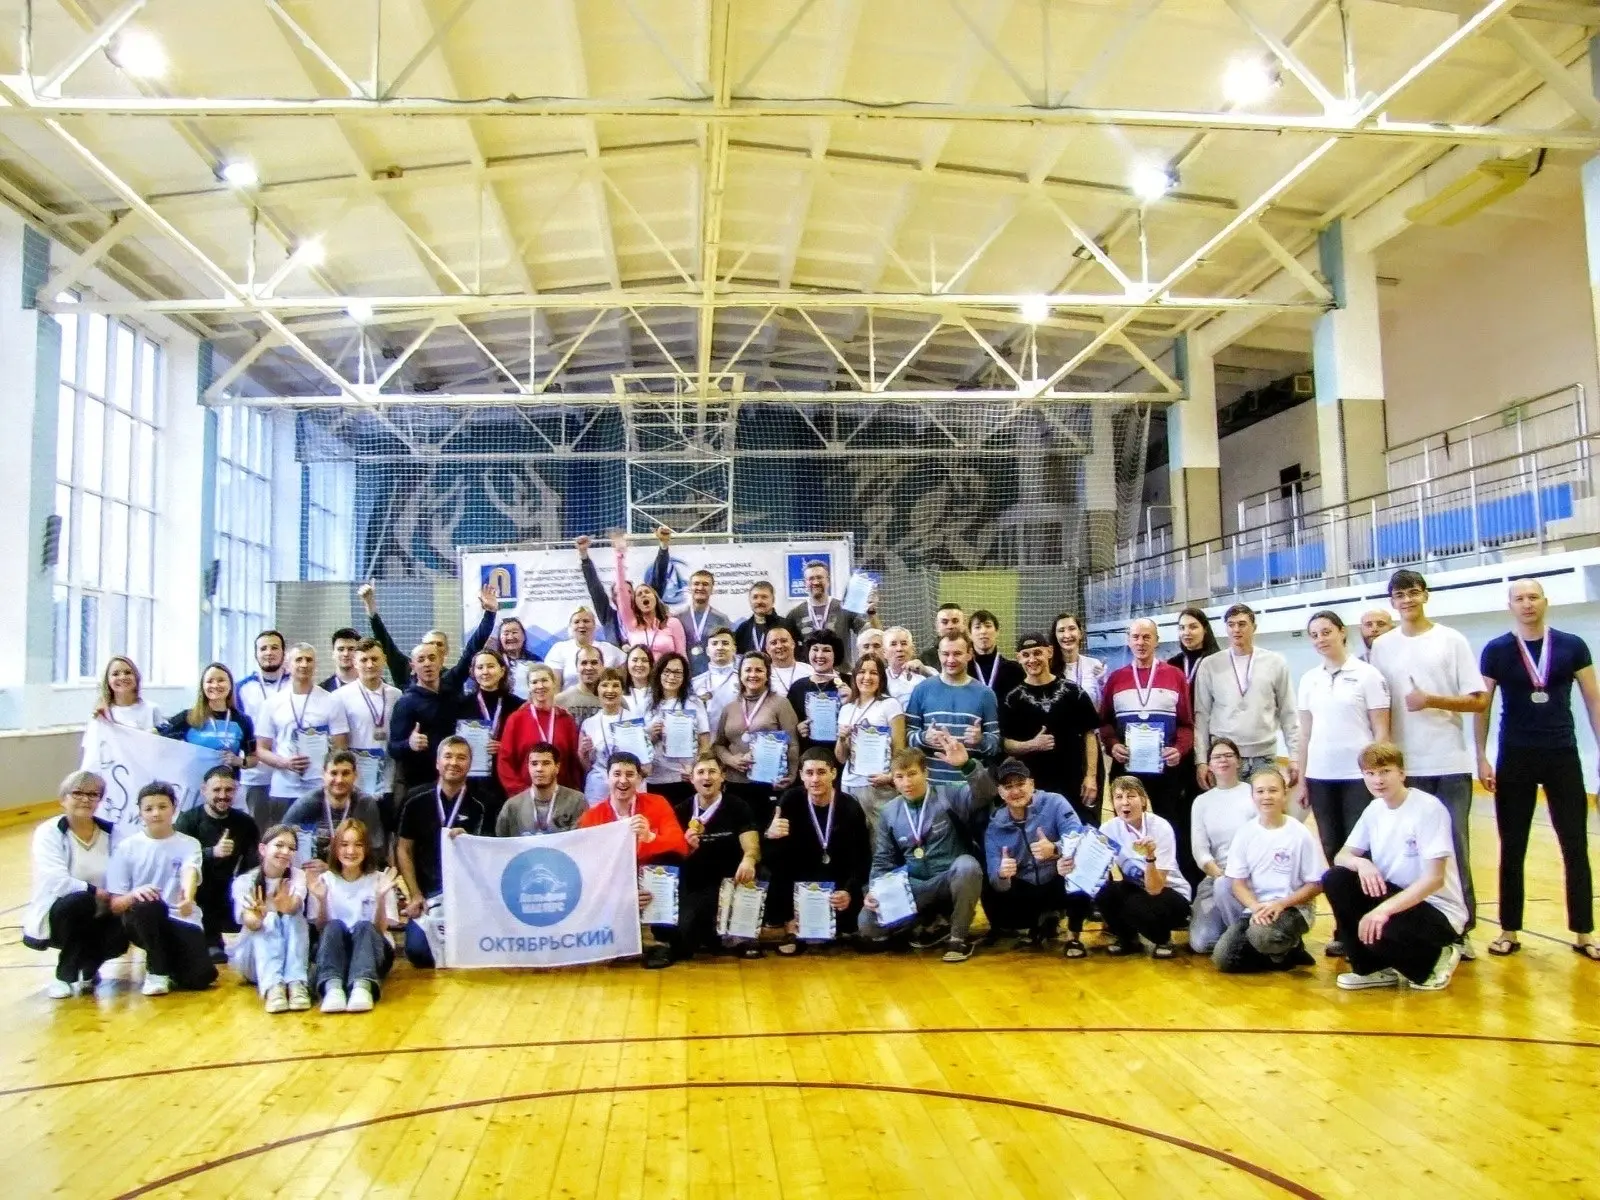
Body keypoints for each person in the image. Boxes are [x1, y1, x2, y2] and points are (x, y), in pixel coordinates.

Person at [1475, 578, 1599, 959]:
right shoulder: (1496, 650)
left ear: (1546, 601)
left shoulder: (1572, 645)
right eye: (1519, 598)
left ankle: (1584, 933)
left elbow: (1594, 702)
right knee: (1512, 846)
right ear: (1510, 605)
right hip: (1515, 757)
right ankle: (1509, 930)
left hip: (1562, 755)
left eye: (1533, 597)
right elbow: (1482, 707)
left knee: (1575, 845)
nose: (1527, 603)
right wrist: (1480, 755)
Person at [1366, 569, 1487, 952]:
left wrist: (1431, 700)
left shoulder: (1452, 640)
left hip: (1448, 763)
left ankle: (1461, 931)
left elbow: (1479, 700)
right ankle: (1411, 930)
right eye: (1400, 595)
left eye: (1413, 593)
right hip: (1403, 770)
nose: (1407, 600)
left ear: (1425, 595)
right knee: (1405, 855)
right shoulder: (1382, 647)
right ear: (1392, 602)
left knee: (1454, 848)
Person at [1325, 742, 1468, 991]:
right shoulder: (1374, 809)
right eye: (1370, 773)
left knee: (1379, 928)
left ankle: (1439, 956)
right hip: (1396, 899)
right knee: (1336, 879)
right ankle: (1372, 969)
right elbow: (1342, 856)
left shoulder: (1428, 809)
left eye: (1385, 772)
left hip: (1436, 909)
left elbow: (1434, 879)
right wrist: (1361, 863)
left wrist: (1382, 910)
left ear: (1402, 773)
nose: (1378, 780)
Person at [1294, 610, 1391, 933]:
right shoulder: (1309, 679)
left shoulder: (1367, 675)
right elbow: (1305, 735)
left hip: (1358, 779)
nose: (1321, 639)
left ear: (1342, 632)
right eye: (1314, 635)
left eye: (1326, 632)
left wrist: (1378, 776)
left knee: (1361, 852)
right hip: (1320, 777)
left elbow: (1381, 731)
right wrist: (1303, 780)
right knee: (1333, 851)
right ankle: (1344, 928)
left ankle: (1371, 924)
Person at [862, 742, 993, 962]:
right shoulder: (889, 812)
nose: (907, 782)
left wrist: (967, 765)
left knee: (967, 866)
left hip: (950, 881)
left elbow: (986, 794)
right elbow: (883, 859)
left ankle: (958, 938)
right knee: (867, 924)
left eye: (912, 774)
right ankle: (928, 923)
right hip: (915, 886)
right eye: (900, 776)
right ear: (893, 779)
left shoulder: (949, 795)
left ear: (926, 772)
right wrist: (875, 890)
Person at [1099, 618, 1195, 881]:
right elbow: (1104, 722)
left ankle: (1171, 885)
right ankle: (1132, 883)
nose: (1140, 642)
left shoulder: (1175, 676)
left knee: (1170, 825)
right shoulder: (1116, 679)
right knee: (1125, 828)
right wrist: (1112, 745)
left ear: (1157, 641)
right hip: (1126, 767)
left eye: (1146, 637)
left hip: (1166, 768)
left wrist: (1179, 749)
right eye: (1136, 637)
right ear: (1129, 641)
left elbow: (1187, 724)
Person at [576, 751, 689, 969]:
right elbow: (588, 868)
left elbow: (680, 847)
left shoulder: (657, 803)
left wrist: (650, 837)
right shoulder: (593, 816)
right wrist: (625, 893)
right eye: (617, 774)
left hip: (650, 888)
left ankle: (660, 941)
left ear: (639, 779)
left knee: (669, 859)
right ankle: (622, 940)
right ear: (607, 777)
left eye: (629, 774)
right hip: (614, 889)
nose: (623, 780)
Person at [24, 770, 128, 998]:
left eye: (93, 794)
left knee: (127, 913)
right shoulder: (49, 833)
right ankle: (65, 975)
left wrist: (119, 896)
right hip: (63, 913)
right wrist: (95, 891)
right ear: (63, 799)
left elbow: (125, 873)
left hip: (104, 911)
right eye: (78, 793)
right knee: (81, 901)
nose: (85, 799)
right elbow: (57, 880)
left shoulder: (113, 833)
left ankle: (90, 967)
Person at [105, 783, 217, 994]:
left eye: (162, 807)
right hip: (143, 919)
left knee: (200, 977)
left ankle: (170, 963)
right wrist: (134, 895)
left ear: (174, 808)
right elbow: (116, 904)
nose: (156, 813)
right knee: (149, 904)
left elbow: (190, 870)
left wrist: (188, 897)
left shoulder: (189, 843)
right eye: (149, 808)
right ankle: (156, 971)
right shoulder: (126, 848)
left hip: (180, 918)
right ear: (140, 812)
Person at [1212, 767, 1325, 973]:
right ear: (1252, 796)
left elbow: (1316, 885)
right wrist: (1255, 907)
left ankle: (1285, 945)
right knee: (1223, 959)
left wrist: (1281, 904)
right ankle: (1287, 954)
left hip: (1292, 908)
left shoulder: (1299, 833)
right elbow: (1238, 884)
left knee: (1261, 936)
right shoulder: (1245, 833)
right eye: (1260, 791)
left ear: (1284, 794)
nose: (1266, 796)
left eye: (1273, 790)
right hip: (1258, 909)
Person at [395, 737, 491, 968]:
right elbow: (403, 849)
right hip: (428, 895)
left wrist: (471, 841)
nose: (453, 762)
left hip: (467, 895)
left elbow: (490, 852)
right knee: (419, 952)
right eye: (448, 756)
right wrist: (415, 894)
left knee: (479, 947)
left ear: (470, 764)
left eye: (461, 757)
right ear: (437, 762)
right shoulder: (415, 799)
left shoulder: (483, 803)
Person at [764, 748, 872, 951]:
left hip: (837, 884)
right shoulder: (790, 801)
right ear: (801, 775)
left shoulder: (849, 806)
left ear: (833, 773)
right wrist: (769, 835)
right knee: (775, 866)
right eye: (809, 773)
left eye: (821, 772)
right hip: (800, 882)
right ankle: (790, 924)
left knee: (852, 929)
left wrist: (848, 891)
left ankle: (841, 926)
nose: (815, 779)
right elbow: (775, 859)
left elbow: (862, 857)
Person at [982, 757, 1089, 950]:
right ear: (1000, 792)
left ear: (1032, 784)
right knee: (987, 886)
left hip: (1057, 880)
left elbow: (1080, 838)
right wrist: (1002, 874)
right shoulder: (995, 826)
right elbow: (994, 877)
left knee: (1080, 865)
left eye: (1020, 784)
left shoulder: (1055, 802)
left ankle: (1073, 936)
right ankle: (1036, 922)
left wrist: (1055, 849)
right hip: (1025, 886)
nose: (1015, 791)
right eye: (1008, 786)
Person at [666, 753, 761, 960]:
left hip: (731, 879)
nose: (706, 777)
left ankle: (742, 936)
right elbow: (672, 856)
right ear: (692, 778)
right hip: (696, 882)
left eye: (712, 772)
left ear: (722, 776)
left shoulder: (738, 806)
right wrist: (686, 848)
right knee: (684, 941)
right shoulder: (680, 810)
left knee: (759, 871)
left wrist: (749, 859)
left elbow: (752, 846)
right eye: (700, 772)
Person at [1193, 604, 1298, 789]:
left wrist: (1295, 756)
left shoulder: (1275, 662)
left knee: (1263, 807)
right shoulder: (1210, 665)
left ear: (1254, 627)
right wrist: (1201, 760)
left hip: (1264, 756)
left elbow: (1288, 713)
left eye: (1242, 624)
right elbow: (1201, 716)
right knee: (1227, 807)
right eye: (1231, 624)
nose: (1236, 629)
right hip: (1224, 756)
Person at [1088, 775, 1192, 958]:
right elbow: (1094, 873)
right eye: (1119, 797)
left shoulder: (1161, 827)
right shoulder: (1108, 830)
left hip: (1170, 892)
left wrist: (1150, 856)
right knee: (1104, 893)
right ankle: (1128, 939)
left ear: (1143, 800)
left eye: (1131, 796)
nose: (1125, 802)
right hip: (1138, 891)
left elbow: (1155, 888)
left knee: (1133, 905)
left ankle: (1163, 939)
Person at [1000, 633, 1100, 824]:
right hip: (1034, 788)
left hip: (1074, 783)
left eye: (1037, 653)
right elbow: (1005, 744)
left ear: (1050, 652)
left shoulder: (1074, 692)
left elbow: (1090, 734)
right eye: (1026, 655)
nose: (1032, 659)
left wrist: (1091, 777)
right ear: (1018, 658)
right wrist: (1032, 745)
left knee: (1079, 834)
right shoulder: (1011, 700)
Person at [308, 818, 399, 1013]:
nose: (351, 851)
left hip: (371, 952)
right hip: (336, 953)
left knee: (364, 926)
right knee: (334, 926)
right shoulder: (323, 881)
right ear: (335, 848)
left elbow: (380, 931)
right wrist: (322, 900)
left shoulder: (380, 879)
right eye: (344, 844)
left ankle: (362, 987)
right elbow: (322, 930)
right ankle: (333, 988)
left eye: (358, 845)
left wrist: (380, 897)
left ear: (366, 849)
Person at [255, 643, 350, 827]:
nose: (304, 664)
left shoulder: (332, 701)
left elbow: (341, 747)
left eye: (309, 660)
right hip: (284, 788)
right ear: (287, 665)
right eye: (299, 659)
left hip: (320, 787)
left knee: (321, 839)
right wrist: (284, 763)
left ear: (315, 664)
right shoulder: (272, 703)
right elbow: (261, 749)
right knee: (283, 838)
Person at [174, 766, 262, 961]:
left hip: (229, 889)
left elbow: (252, 863)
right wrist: (212, 852)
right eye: (216, 790)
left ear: (236, 790)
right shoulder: (188, 820)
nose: (223, 796)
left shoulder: (245, 823)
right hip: (198, 889)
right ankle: (208, 940)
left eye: (228, 790)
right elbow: (177, 860)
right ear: (204, 790)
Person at [229, 824, 313, 1014]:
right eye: (279, 845)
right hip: (253, 959)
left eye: (291, 848)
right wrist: (259, 917)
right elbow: (250, 922)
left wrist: (285, 905)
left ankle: (296, 983)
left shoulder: (298, 876)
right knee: (270, 919)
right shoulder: (245, 881)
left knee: (294, 917)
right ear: (263, 849)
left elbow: (294, 907)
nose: (285, 852)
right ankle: (273, 988)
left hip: (288, 960)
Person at [359, 581, 499, 691]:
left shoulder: (452, 679)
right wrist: (370, 607)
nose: (433, 649)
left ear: (445, 652)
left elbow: (473, 647)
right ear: (413, 663)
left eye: (439, 645)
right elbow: (385, 643)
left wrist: (490, 613)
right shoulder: (404, 671)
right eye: (428, 645)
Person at [712, 652, 801, 824]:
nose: (753, 675)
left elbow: (793, 744)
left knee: (767, 831)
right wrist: (730, 760)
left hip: (769, 782)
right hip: (735, 783)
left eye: (759, 670)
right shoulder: (730, 707)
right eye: (748, 670)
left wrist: (791, 775)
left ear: (767, 674)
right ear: (740, 675)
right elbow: (718, 745)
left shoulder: (781, 704)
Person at [1185, 739, 1256, 956]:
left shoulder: (1254, 793)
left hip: (1252, 876)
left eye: (1228, 755)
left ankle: (1247, 937)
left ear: (1239, 761)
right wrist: (1219, 875)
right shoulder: (1201, 802)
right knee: (1201, 943)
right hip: (1218, 877)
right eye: (1216, 757)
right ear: (1209, 765)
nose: (1223, 760)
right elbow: (1200, 851)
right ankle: (1236, 928)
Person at [904, 632, 1001, 787]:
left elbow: (995, 745)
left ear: (969, 654)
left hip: (971, 788)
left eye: (957, 654)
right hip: (932, 787)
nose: (950, 660)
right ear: (938, 654)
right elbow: (906, 737)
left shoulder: (985, 694)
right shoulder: (921, 690)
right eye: (945, 654)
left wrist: (981, 740)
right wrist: (923, 737)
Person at [334, 637, 403, 832]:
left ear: (384, 660)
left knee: (386, 834)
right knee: (356, 834)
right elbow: (339, 745)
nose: (370, 665)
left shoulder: (397, 695)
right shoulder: (340, 697)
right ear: (355, 662)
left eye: (374, 659)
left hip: (388, 778)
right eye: (364, 660)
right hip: (357, 781)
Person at [580, 532, 687, 657]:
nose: (625, 596)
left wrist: (663, 547)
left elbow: (659, 577)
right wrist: (584, 557)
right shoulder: (608, 617)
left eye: (630, 592)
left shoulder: (650, 616)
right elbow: (595, 589)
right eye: (619, 593)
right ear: (613, 599)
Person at [451, 648, 526, 820]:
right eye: (480, 667)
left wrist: (504, 747)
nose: (485, 672)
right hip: (472, 781)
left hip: (506, 780)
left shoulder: (518, 705)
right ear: (472, 672)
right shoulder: (461, 705)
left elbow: (524, 744)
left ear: (502, 670)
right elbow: (452, 742)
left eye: (491, 666)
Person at [835, 652, 906, 827]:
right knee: (853, 836)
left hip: (879, 785)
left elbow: (899, 749)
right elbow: (841, 758)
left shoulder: (890, 705)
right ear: (854, 676)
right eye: (862, 672)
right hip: (850, 784)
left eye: (873, 673)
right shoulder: (846, 709)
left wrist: (890, 777)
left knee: (880, 837)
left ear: (881, 678)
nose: (867, 677)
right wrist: (842, 739)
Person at [283, 750, 387, 865]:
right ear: (323, 774)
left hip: (352, 870)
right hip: (311, 871)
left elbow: (375, 852)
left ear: (355, 775)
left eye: (345, 773)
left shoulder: (365, 804)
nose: (339, 780)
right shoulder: (307, 803)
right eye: (333, 773)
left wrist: (330, 869)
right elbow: (282, 840)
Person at [497, 664, 583, 796]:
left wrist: (572, 791)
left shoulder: (566, 720)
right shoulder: (516, 719)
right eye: (534, 682)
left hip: (561, 795)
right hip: (525, 795)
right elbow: (504, 761)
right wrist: (520, 792)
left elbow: (573, 762)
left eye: (544, 680)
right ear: (529, 687)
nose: (540, 686)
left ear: (554, 683)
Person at [655, 528, 733, 671]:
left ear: (712, 589)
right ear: (690, 588)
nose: (700, 587)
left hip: (711, 677)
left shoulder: (722, 619)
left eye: (705, 584)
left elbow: (729, 654)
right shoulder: (676, 618)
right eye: (696, 584)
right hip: (684, 677)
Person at [158, 662, 256, 773]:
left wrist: (240, 761)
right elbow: (157, 732)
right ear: (203, 687)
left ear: (230, 685)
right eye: (210, 681)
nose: (215, 685)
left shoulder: (243, 720)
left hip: (227, 782)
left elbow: (253, 757)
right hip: (192, 781)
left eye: (221, 680)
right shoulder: (188, 716)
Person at [236, 630, 290, 824]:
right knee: (257, 829)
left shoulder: (295, 684)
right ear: (255, 654)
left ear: (283, 652)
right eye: (263, 648)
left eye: (274, 647)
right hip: (256, 773)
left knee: (287, 828)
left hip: (289, 772)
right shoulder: (242, 688)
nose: (269, 652)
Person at [644, 651, 712, 804]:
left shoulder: (693, 703)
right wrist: (651, 735)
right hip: (656, 777)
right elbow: (639, 741)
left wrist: (696, 768)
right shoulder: (648, 702)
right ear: (659, 673)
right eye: (667, 671)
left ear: (684, 676)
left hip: (684, 777)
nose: (671, 677)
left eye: (677, 673)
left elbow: (705, 744)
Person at [388, 643, 453, 796]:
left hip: (453, 780)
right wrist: (409, 744)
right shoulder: (405, 703)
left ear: (441, 661)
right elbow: (393, 748)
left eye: (432, 658)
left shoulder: (452, 696)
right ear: (413, 666)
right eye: (421, 659)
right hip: (420, 785)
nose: (427, 664)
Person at [496, 743, 588, 835]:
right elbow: (501, 841)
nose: (539, 769)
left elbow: (582, 839)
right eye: (534, 764)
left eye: (546, 763)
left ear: (557, 767)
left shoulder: (576, 801)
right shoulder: (512, 806)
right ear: (528, 767)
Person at [786, 558, 878, 645]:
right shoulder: (795, 614)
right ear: (805, 583)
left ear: (828, 580)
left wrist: (871, 613)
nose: (815, 582)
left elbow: (875, 636)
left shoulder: (844, 609)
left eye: (819, 577)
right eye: (811, 578)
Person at [788, 630, 851, 755]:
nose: (819, 655)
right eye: (815, 649)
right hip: (809, 757)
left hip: (842, 755)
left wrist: (852, 701)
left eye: (826, 650)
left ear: (836, 654)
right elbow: (790, 725)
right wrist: (798, 728)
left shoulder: (850, 683)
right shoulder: (797, 687)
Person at [577, 668, 634, 803]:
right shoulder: (588, 723)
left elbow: (644, 763)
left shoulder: (635, 721)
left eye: (615, 685)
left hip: (628, 786)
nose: (610, 690)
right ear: (597, 690)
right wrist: (583, 753)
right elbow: (587, 767)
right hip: (598, 789)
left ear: (622, 690)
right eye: (604, 685)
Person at [543, 607, 625, 687]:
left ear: (594, 625)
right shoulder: (559, 649)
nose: (581, 625)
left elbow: (627, 671)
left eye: (586, 621)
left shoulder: (609, 649)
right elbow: (554, 687)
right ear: (570, 626)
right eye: (576, 622)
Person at [690, 628, 742, 730]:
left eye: (725, 643)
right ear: (707, 651)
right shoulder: (695, 683)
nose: (720, 647)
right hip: (706, 737)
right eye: (714, 644)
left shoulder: (745, 681)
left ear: (734, 649)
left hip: (737, 736)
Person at [967, 610, 1025, 701]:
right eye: (977, 627)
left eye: (988, 626)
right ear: (970, 634)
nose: (983, 631)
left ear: (997, 631)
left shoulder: (1014, 670)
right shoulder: (964, 670)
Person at [1050, 612, 1106, 705]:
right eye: (1061, 630)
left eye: (1072, 629)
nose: (1067, 635)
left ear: (1080, 633)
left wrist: (1102, 683)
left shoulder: (1095, 665)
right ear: (1055, 636)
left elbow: (1104, 704)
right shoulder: (1048, 668)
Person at [1168, 607, 1221, 701]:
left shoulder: (1217, 662)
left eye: (1193, 627)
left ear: (1205, 629)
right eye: (1182, 628)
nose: (1186, 632)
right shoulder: (1173, 664)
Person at [733, 580, 797, 655]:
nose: (759, 601)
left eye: (764, 597)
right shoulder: (743, 629)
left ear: (773, 600)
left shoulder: (787, 625)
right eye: (755, 597)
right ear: (750, 600)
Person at [556, 644, 607, 724]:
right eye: (584, 663)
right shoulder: (560, 701)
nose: (589, 667)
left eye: (594, 663)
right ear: (576, 667)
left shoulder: (614, 699)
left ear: (602, 667)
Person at [884, 626, 935, 701]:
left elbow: (945, 694)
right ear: (884, 652)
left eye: (904, 643)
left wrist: (926, 673)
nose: (899, 648)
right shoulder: (881, 677)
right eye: (893, 644)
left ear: (913, 649)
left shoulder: (930, 672)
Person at [493, 618, 541, 697]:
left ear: (524, 636)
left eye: (514, 632)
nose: (510, 637)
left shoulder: (536, 661)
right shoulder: (494, 661)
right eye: (506, 633)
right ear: (500, 638)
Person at [763, 625, 812, 695]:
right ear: (767, 649)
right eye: (773, 643)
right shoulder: (764, 674)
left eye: (784, 641)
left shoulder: (810, 670)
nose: (779, 646)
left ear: (793, 644)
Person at [319, 627, 363, 692]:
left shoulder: (372, 685)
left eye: (351, 649)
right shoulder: (323, 690)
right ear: (333, 653)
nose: (346, 654)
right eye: (341, 649)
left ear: (360, 653)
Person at [623, 644, 656, 714]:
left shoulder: (659, 692)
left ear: (651, 665)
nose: (639, 664)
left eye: (644, 660)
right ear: (627, 664)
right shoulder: (620, 694)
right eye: (635, 660)